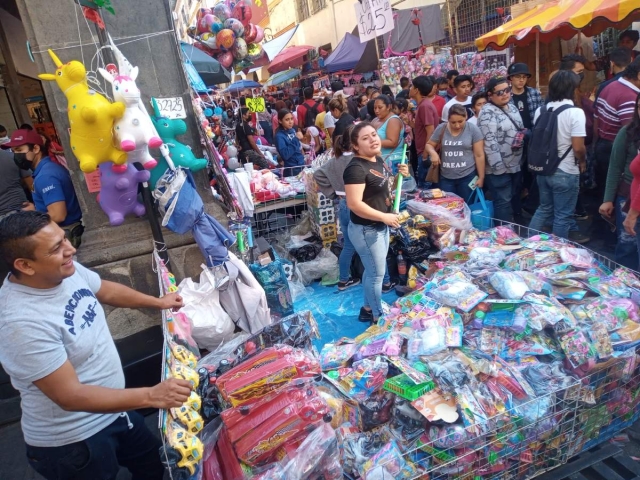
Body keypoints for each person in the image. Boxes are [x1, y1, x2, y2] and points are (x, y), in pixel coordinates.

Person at [0, 211, 191, 480]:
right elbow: (70, 396)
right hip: (74, 442)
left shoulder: (65, 269)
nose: (70, 250)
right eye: (57, 248)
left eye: (64, 239)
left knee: (153, 465)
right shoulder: (20, 323)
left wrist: (159, 302)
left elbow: (104, 289)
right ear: (25, 265)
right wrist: (152, 395)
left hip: (117, 410)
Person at [343, 123, 409, 322]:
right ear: (355, 146)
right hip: (367, 230)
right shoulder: (355, 168)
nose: (373, 139)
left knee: (372, 273)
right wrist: (384, 217)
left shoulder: (377, 160)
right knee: (376, 275)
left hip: (380, 226)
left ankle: (367, 309)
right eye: (365, 138)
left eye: (374, 134)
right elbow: (354, 204)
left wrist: (399, 176)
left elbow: (384, 188)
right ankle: (379, 318)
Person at [528, 71, 589, 243]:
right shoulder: (575, 113)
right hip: (566, 170)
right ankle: (557, 253)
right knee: (563, 216)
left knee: (544, 209)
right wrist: (583, 161)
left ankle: (528, 245)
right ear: (572, 89)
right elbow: (578, 147)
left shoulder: (541, 111)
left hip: (544, 169)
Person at [5, 129, 84, 247]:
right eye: (13, 151)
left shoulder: (46, 176)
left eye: (19, 150)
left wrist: (31, 218)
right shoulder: (48, 170)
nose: (16, 155)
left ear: (36, 149)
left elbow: (58, 214)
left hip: (66, 234)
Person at [599, 92, 640, 269]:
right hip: (627, 196)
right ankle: (625, 290)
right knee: (626, 246)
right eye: (639, 107)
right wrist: (608, 199)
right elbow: (615, 166)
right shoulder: (628, 132)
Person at [314, 133, 360, 291]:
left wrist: (333, 192)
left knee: (348, 245)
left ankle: (343, 280)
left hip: (342, 204)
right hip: (357, 204)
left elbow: (317, 174)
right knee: (368, 245)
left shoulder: (334, 161)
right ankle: (384, 281)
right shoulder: (357, 160)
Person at [478, 77, 524, 222]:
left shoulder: (513, 106)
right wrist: (499, 169)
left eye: (507, 90)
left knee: (514, 198)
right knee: (503, 202)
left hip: (516, 165)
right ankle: (503, 235)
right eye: (499, 92)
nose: (505, 94)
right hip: (499, 169)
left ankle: (516, 230)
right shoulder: (487, 113)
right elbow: (489, 143)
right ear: (490, 95)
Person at [594, 60, 640, 202]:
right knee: (615, 196)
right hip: (616, 150)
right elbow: (633, 134)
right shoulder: (630, 97)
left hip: (603, 144)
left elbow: (596, 117)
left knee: (604, 192)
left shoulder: (611, 85)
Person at [425, 104, 484, 201]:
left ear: (466, 117)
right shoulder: (442, 128)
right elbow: (429, 145)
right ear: (448, 119)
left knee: (468, 206)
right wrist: (433, 153)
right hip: (446, 178)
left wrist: (481, 177)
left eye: (460, 121)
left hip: (467, 177)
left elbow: (479, 155)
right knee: (448, 208)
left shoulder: (473, 129)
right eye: (453, 122)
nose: (457, 125)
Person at [410, 76, 440, 189]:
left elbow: (430, 130)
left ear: (416, 90)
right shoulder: (423, 105)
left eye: (412, 86)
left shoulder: (424, 106)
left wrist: (425, 154)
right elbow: (421, 128)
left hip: (425, 153)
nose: (410, 89)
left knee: (425, 188)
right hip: (424, 152)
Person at [507, 63, 543, 130]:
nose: (521, 80)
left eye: (524, 77)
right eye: (518, 77)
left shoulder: (534, 93)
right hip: (514, 135)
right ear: (511, 78)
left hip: (533, 133)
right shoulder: (506, 96)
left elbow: (541, 114)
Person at [275, 109, 305, 175]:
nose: (290, 122)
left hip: (300, 165)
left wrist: (302, 157)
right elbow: (285, 154)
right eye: (287, 120)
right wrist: (296, 139)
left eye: (291, 119)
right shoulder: (279, 136)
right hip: (291, 168)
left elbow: (298, 147)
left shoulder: (293, 130)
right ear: (280, 121)